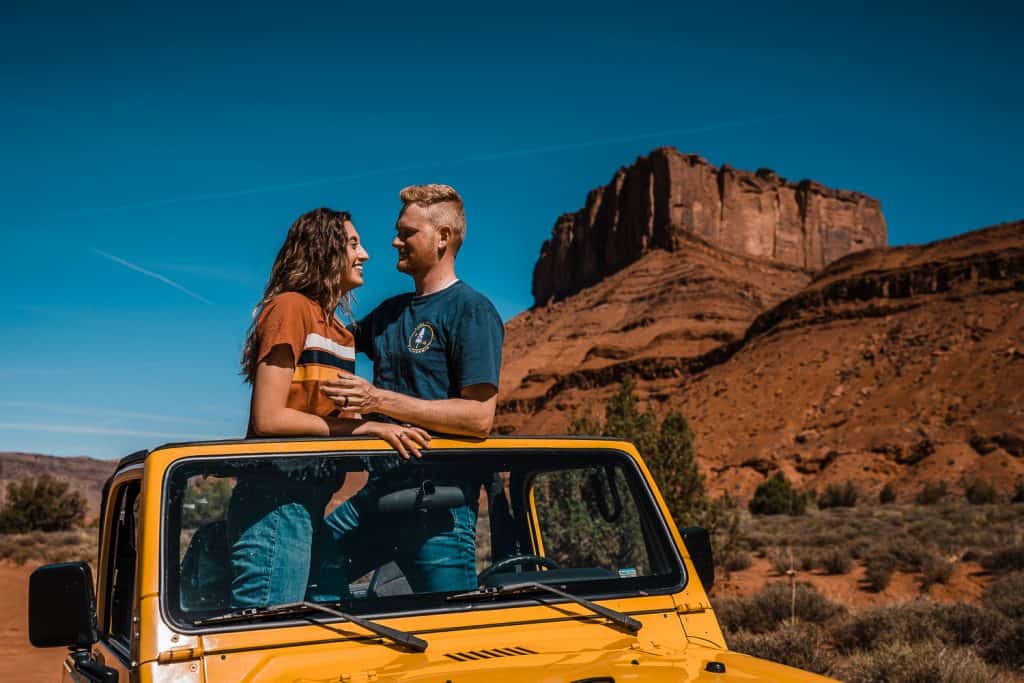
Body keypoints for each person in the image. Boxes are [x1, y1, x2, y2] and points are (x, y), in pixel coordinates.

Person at [228, 207, 430, 608]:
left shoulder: (336, 329)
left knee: (330, 618)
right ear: (323, 249)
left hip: (310, 504)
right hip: (275, 504)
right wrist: (365, 430)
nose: (366, 254)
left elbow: (333, 418)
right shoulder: (290, 307)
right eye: (353, 244)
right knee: (270, 638)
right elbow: (268, 418)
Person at [320, 184, 504, 593]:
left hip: (438, 507)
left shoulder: (471, 311)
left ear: (443, 238)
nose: (394, 240)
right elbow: (327, 338)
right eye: (397, 230)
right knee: (313, 571)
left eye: (407, 232)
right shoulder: (390, 312)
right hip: (380, 495)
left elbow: (478, 419)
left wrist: (377, 399)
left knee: (453, 629)